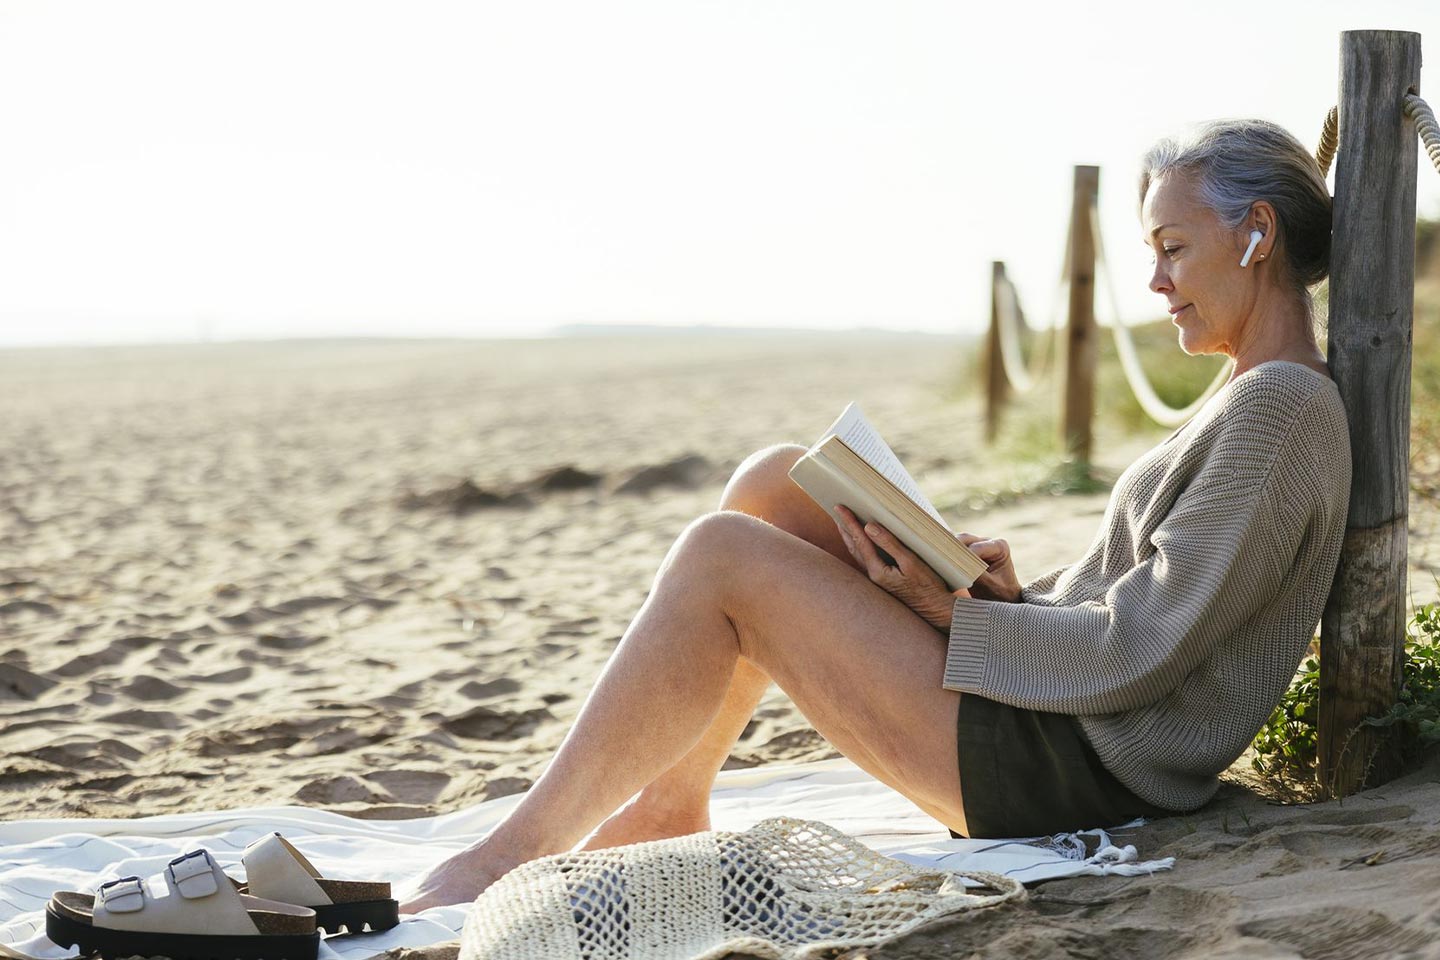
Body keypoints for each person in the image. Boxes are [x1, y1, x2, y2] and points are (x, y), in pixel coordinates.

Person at [400, 118, 1350, 912]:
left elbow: (1139, 653)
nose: (1155, 283)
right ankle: (671, 799)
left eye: (1171, 250)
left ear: (1255, 234)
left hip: (1078, 772)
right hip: (1067, 728)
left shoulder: (1279, 408)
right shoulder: (1252, 395)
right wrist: (1014, 596)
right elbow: (1149, 608)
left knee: (724, 555)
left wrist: (961, 616)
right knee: (779, 482)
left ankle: (506, 859)